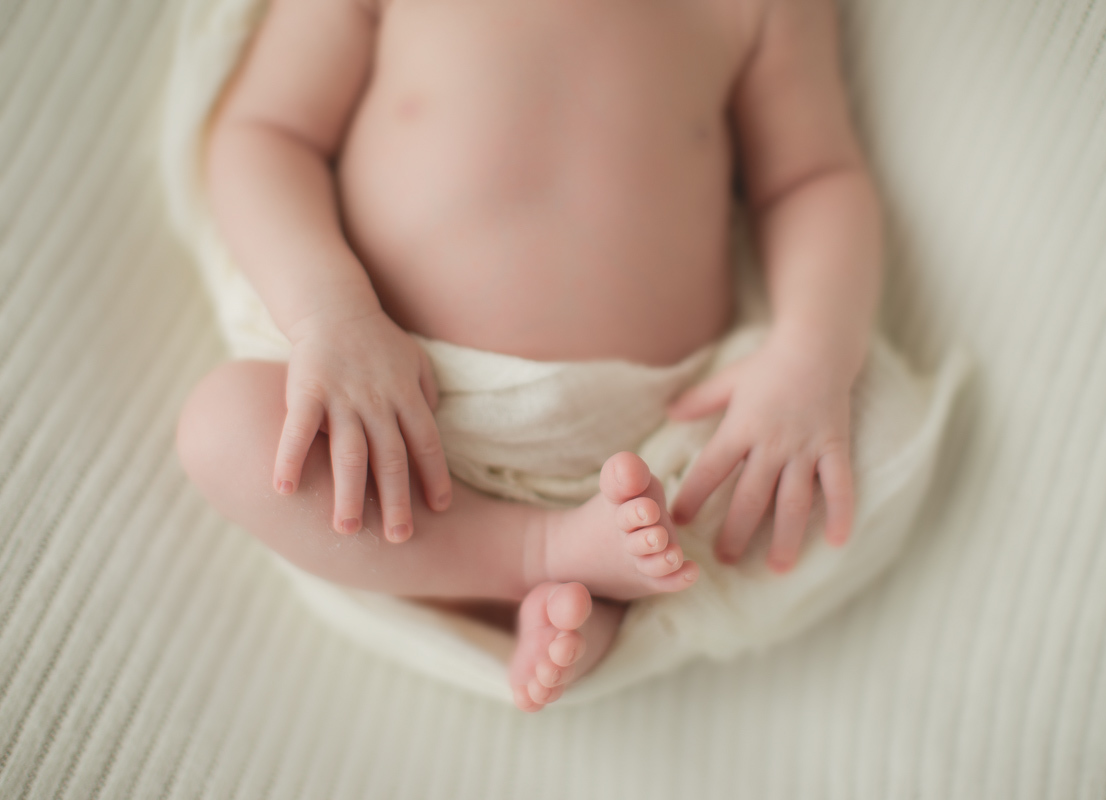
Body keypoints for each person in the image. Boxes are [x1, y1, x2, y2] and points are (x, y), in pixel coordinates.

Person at [175, 0, 882, 711]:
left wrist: (813, 353)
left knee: (771, 487)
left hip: (639, 447)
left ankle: (586, 588)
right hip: (373, 389)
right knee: (226, 428)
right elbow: (264, 133)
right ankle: (530, 557)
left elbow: (811, 178)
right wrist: (330, 312)